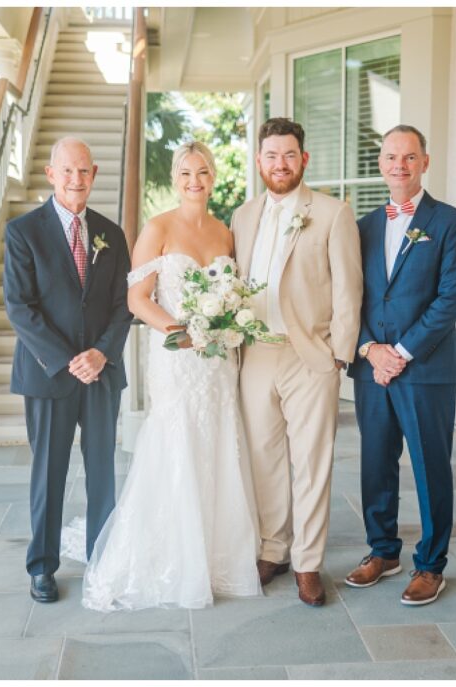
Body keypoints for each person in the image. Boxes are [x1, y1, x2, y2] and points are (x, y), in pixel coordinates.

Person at [80, 141, 262, 611]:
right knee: (177, 440)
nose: (194, 181)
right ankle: (170, 557)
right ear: (176, 178)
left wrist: (221, 325)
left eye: (202, 172)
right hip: (177, 355)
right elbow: (137, 298)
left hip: (219, 361)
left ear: (213, 176)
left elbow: (232, 295)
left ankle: (218, 555)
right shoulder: (158, 228)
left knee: (218, 441)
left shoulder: (225, 233)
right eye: (185, 173)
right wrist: (183, 330)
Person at [231, 118, 363, 607]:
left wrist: (339, 355)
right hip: (257, 351)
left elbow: (350, 288)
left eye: (289, 155)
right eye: (271, 155)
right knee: (264, 459)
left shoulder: (331, 213)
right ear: (259, 160)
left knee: (312, 462)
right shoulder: (242, 216)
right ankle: (274, 549)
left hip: (310, 355)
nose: (280, 164)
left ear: (303, 159)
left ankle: (308, 562)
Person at [345, 125, 456, 606]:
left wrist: (399, 353)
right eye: (391, 157)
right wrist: (368, 349)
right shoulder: (362, 227)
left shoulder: (450, 223)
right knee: (375, 462)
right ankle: (382, 551)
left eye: (410, 157)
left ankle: (430, 564)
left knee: (429, 466)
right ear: (380, 164)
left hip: (426, 369)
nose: (400, 165)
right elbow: (348, 297)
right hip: (370, 368)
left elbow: (450, 299)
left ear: (425, 162)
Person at [3, 136, 132, 603]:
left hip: (101, 372)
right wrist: (66, 360)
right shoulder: (23, 232)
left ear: (94, 174)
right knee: (49, 471)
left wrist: (101, 353)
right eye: (68, 171)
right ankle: (42, 566)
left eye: (84, 171)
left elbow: (124, 304)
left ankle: (103, 558)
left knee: (103, 470)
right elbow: (20, 308)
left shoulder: (111, 234)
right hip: (48, 374)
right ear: (50, 173)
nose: (77, 180)